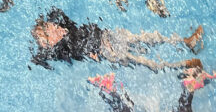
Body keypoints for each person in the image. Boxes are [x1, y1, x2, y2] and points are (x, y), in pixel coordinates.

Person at [30, 8, 204, 72]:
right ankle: (183, 64)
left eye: (49, 25)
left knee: (145, 37)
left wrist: (47, 21)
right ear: (51, 43)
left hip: (107, 36)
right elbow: (79, 50)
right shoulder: (64, 47)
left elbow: (56, 12)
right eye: (48, 31)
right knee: (144, 61)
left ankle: (185, 41)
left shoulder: (64, 25)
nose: (52, 26)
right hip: (107, 50)